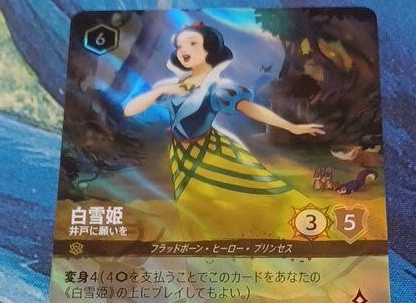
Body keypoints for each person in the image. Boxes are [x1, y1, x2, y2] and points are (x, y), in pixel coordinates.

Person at [123, 21, 323, 203]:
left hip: (210, 152)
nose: (184, 50)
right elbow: (129, 111)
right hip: (179, 154)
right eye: (180, 45)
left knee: (233, 197)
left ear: (209, 50)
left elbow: (250, 109)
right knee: (190, 201)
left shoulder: (217, 89)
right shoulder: (171, 88)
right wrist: (160, 91)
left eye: (192, 43)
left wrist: (291, 127)